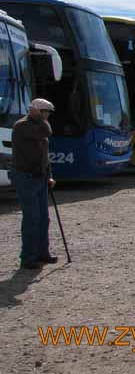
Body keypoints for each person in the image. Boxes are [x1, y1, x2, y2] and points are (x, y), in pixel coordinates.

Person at [11, 99, 58, 270]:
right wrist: (40, 119)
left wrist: (49, 175)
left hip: (40, 176)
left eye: (48, 112)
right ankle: (28, 257)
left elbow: (44, 155)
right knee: (32, 218)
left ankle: (41, 252)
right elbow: (47, 131)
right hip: (26, 177)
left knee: (43, 218)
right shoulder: (22, 126)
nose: (47, 115)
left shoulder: (38, 125)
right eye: (44, 111)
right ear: (34, 110)